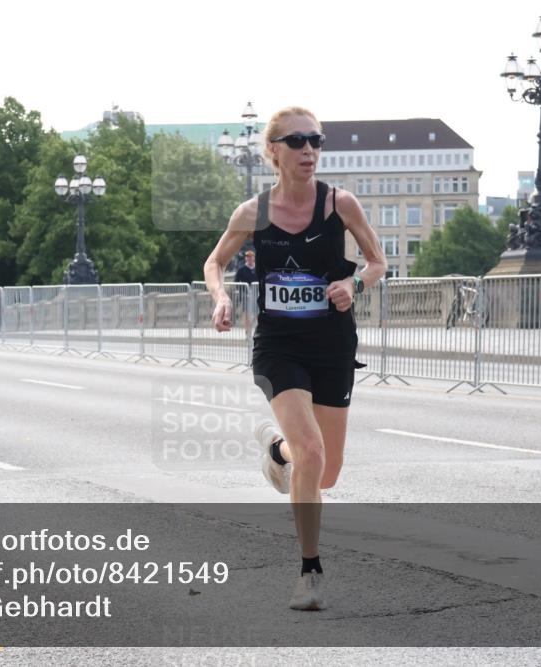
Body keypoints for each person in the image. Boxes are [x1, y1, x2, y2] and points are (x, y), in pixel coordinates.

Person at [203, 106, 386, 610]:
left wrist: (355, 283)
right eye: (297, 141)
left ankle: (275, 451)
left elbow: (378, 261)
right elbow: (214, 261)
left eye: (316, 140)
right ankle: (310, 572)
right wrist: (220, 297)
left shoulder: (340, 204)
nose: (309, 150)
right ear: (273, 151)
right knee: (312, 452)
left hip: (332, 345)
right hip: (279, 346)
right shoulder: (252, 213)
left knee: (325, 472)